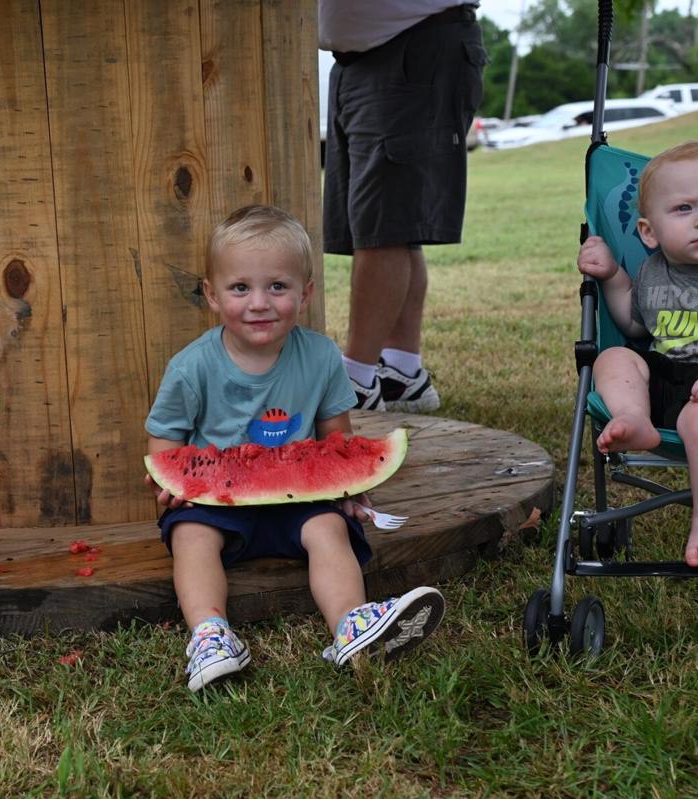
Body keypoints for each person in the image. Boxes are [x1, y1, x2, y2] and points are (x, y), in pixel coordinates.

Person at [144, 204, 445, 692]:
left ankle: (352, 624)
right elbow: (165, 438)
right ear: (212, 296)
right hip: (213, 501)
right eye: (240, 288)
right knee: (191, 539)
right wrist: (169, 482)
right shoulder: (191, 366)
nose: (259, 302)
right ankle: (210, 634)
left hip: (300, 501)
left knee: (330, 530)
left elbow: (337, 439)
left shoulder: (322, 356)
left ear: (304, 294)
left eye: (277, 287)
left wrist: (349, 483)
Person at [577, 140, 698, 568]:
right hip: (663, 377)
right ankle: (634, 418)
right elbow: (633, 326)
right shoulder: (652, 270)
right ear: (649, 232)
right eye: (685, 209)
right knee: (613, 358)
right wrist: (612, 275)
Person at [319, 2, 486, 411]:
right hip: (368, 57)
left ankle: (356, 382)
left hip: (412, 45)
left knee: (385, 228)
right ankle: (402, 374)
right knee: (393, 224)